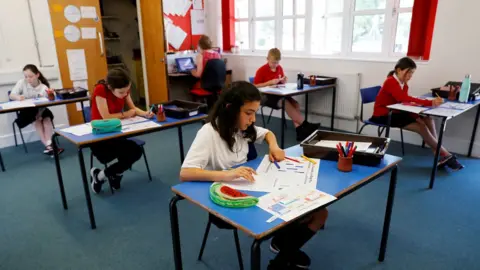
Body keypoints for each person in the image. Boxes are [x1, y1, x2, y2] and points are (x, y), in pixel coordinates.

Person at [180, 81, 328, 270]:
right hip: (229, 198)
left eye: (255, 113)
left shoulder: (242, 128)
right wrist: (227, 175)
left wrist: (274, 146)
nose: (252, 119)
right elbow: (185, 173)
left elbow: (267, 133)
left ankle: (282, 246)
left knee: (319, 213)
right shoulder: (209, 133)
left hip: (256, 188)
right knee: (301, 213)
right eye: (248, 113)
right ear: (230, 109)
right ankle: (281, 260)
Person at [370, 57, 464, 171]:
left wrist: (418, 115)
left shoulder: (404, 84)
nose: (410, 76)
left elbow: (404, 102)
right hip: (383, 115)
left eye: (412, 73)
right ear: (399, 70)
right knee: (421, 127)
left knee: (428, 119)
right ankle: (445, 154)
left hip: (396, 112)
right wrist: (430, 102)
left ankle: (438, 154)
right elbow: (404, 98)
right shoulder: (390, 81)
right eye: (408, 72)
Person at [89, 68, 154, 194]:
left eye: (127, 91)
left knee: (135, 151)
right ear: (110, 87)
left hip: (117, 133)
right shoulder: (100, 89)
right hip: (100, 137)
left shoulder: (124, 89)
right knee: (131, 152)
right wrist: (126, 114)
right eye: (121, 92)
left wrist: (146, 114)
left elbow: (133, 108)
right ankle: (114, 174)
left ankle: (101, 176)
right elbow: (106, 116)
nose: (125, 94)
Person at [253, 48, 320, 141]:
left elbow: (280, 82)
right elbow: (255, 86)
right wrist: (269, 82)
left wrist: (283, 81)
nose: (275, 65)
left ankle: (299, 132)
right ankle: (306, 125)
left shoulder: (279, 68)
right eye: (272, 62)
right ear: (267, 59)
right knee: (285, 103)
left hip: (278, 94)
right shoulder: (262, 70)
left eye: (277, 62)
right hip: (265, 96)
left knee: (295, 104)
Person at [9, 64, 64, 156]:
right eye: (26, 77)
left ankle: (49, 146)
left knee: (47, 119)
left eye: (30, 76)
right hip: (26, 111)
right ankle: (50, 146)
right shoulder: (21, 82)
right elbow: (11, 95)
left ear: (37, 75)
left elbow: (46, 103)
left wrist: (40, 113)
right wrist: (18, 97)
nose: (28, 79)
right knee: (37, 121)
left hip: (41, 109)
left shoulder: (44, 87)